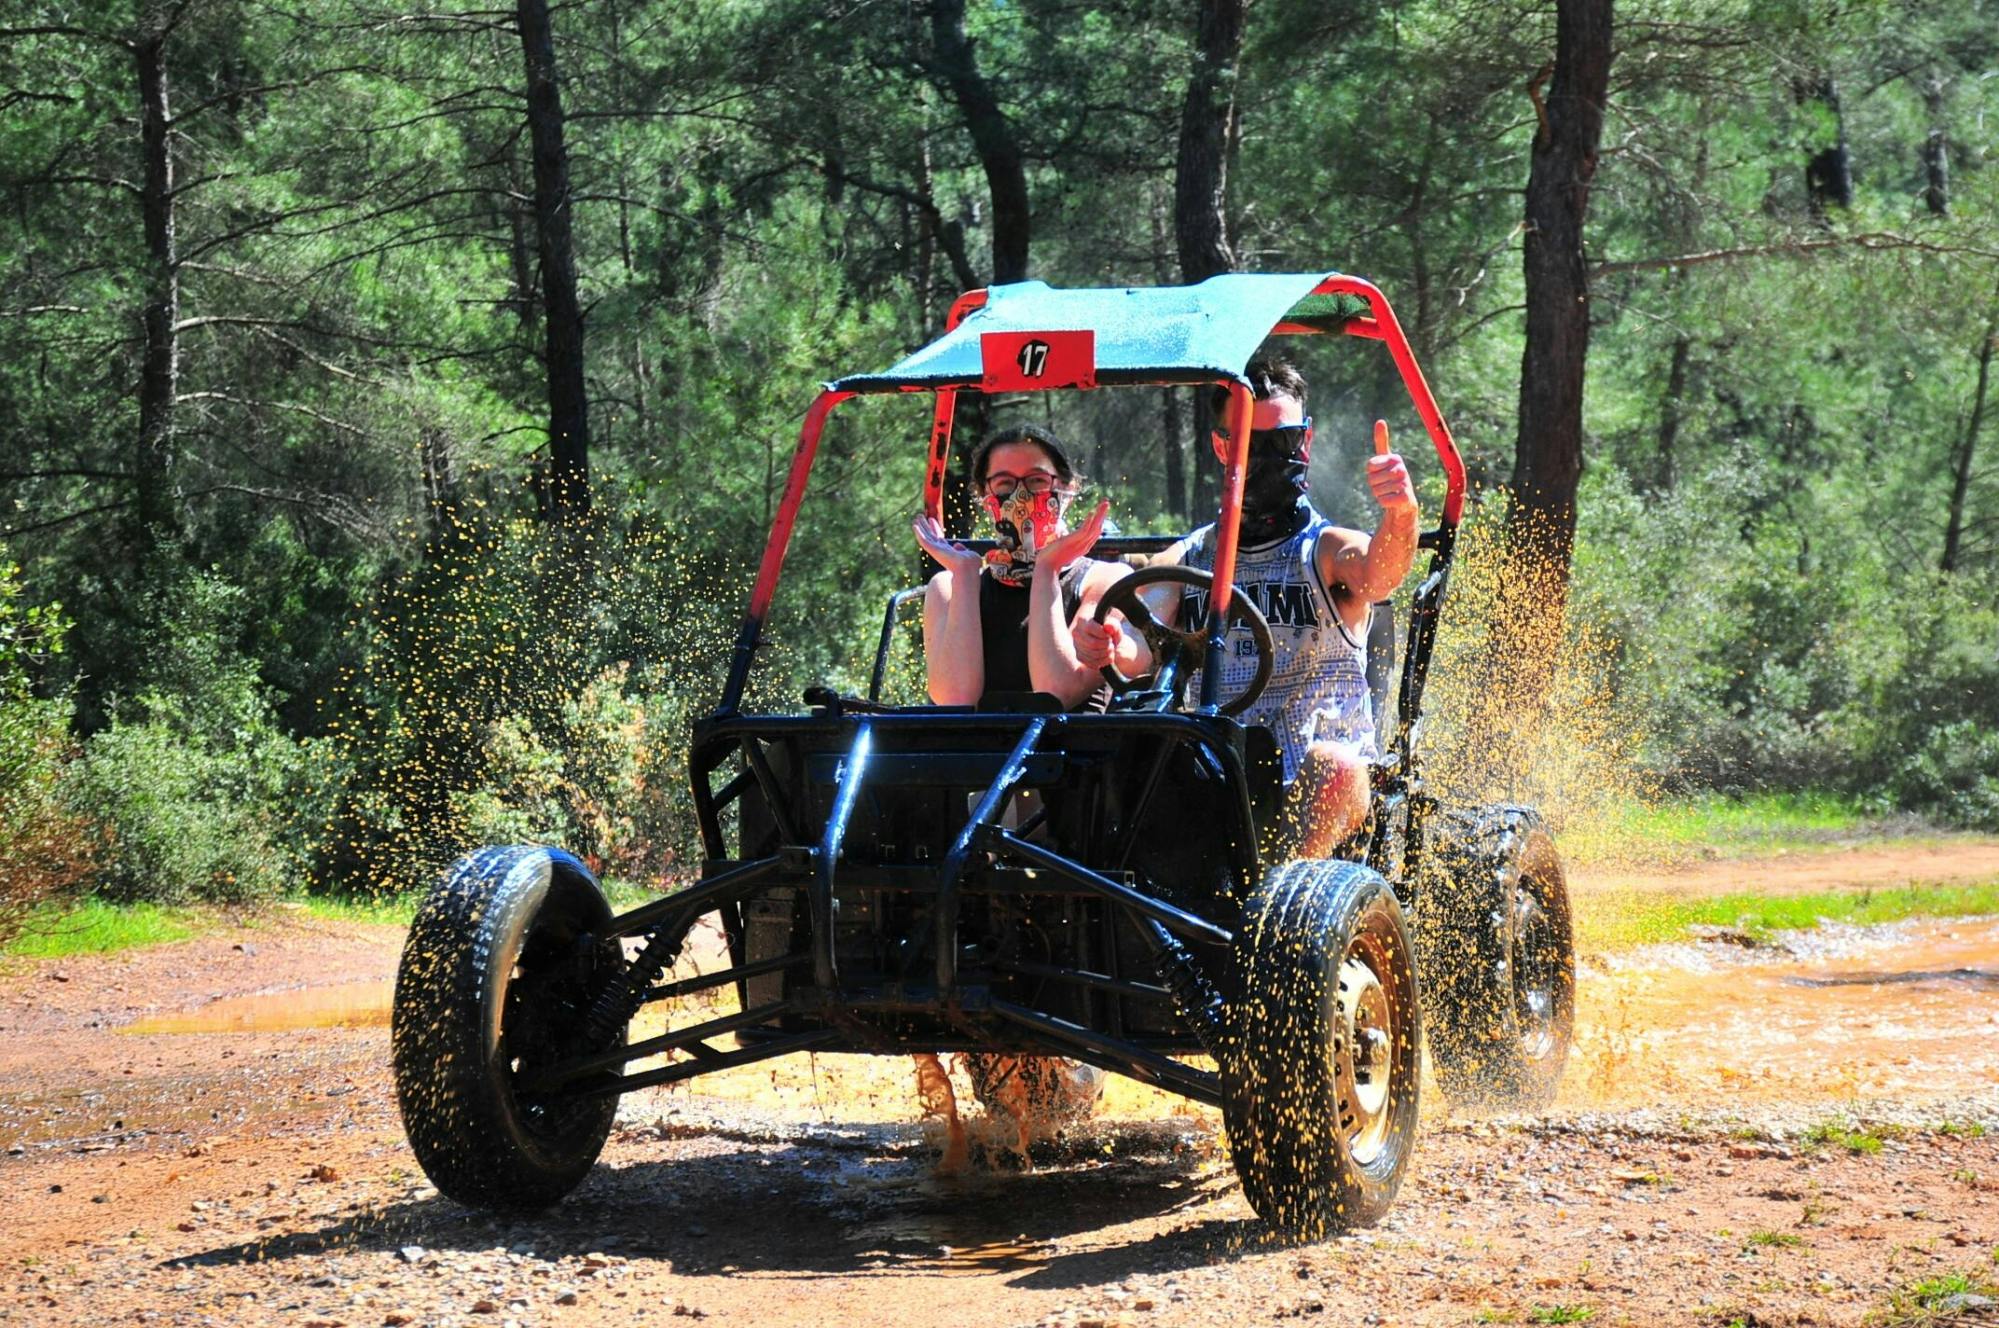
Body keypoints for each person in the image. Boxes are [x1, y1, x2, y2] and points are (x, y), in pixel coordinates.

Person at [905, 423, 1135, 1168]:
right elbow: (955, 696)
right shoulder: (950, 585)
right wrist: (967, 576)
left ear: (1064, 491)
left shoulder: (1097, 580)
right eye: (1003, 486)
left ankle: (1066, 1050)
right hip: (980, 792)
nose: (1021, 499)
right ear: (982, 499)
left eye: (1038, 483)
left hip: (1077, 794)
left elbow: (1056, 690)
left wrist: (1047, 570)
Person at [1081, 353, 1418, 858]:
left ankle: (1285, 897)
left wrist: (1400, 512)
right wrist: (1107, 642)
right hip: (1218, 778)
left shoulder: (1326, 551)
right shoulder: (1192, 556)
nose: (1269, 458)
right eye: (1251, 444)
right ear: (1222, 447)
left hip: (1321, 787)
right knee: (1126, 750)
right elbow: (1138, 640)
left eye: (1283, 442)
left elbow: (1380, 572)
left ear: (1305, 441)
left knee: (1334, 765)